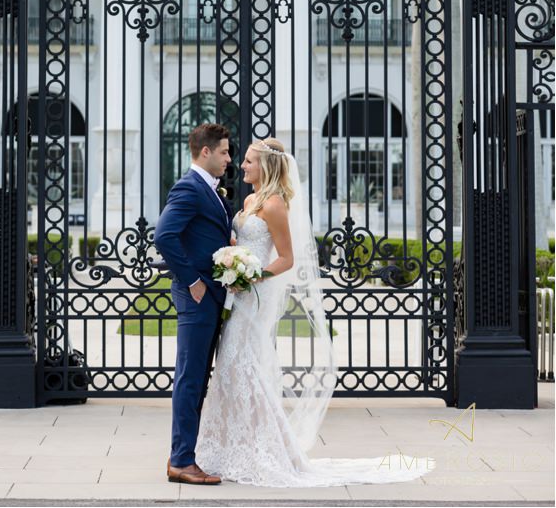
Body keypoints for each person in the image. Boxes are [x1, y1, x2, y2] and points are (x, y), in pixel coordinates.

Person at [194, 138, 430, 486]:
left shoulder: (274, 205)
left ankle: (263, 449)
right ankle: (233, 446)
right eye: (242, 160)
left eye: (248, 161)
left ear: (267, 167)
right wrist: (233, 255)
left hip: (254, 294)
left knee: (243, 367)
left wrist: (250, 275)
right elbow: (246, 242)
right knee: (231, 368)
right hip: (238, 295)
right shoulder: (248, 200)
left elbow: (286, 259)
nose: (241, 166)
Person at [152, 122, 233, 486]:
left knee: (198, 378)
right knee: (190, 378)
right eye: (225, 152)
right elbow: (164, 236)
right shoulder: (189, 186)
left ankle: (183, 454)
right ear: (205, 152)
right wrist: (193, 280)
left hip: (212, 295)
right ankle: (182, 460)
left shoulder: (209, 189)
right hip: (196, 295)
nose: (228, 159)